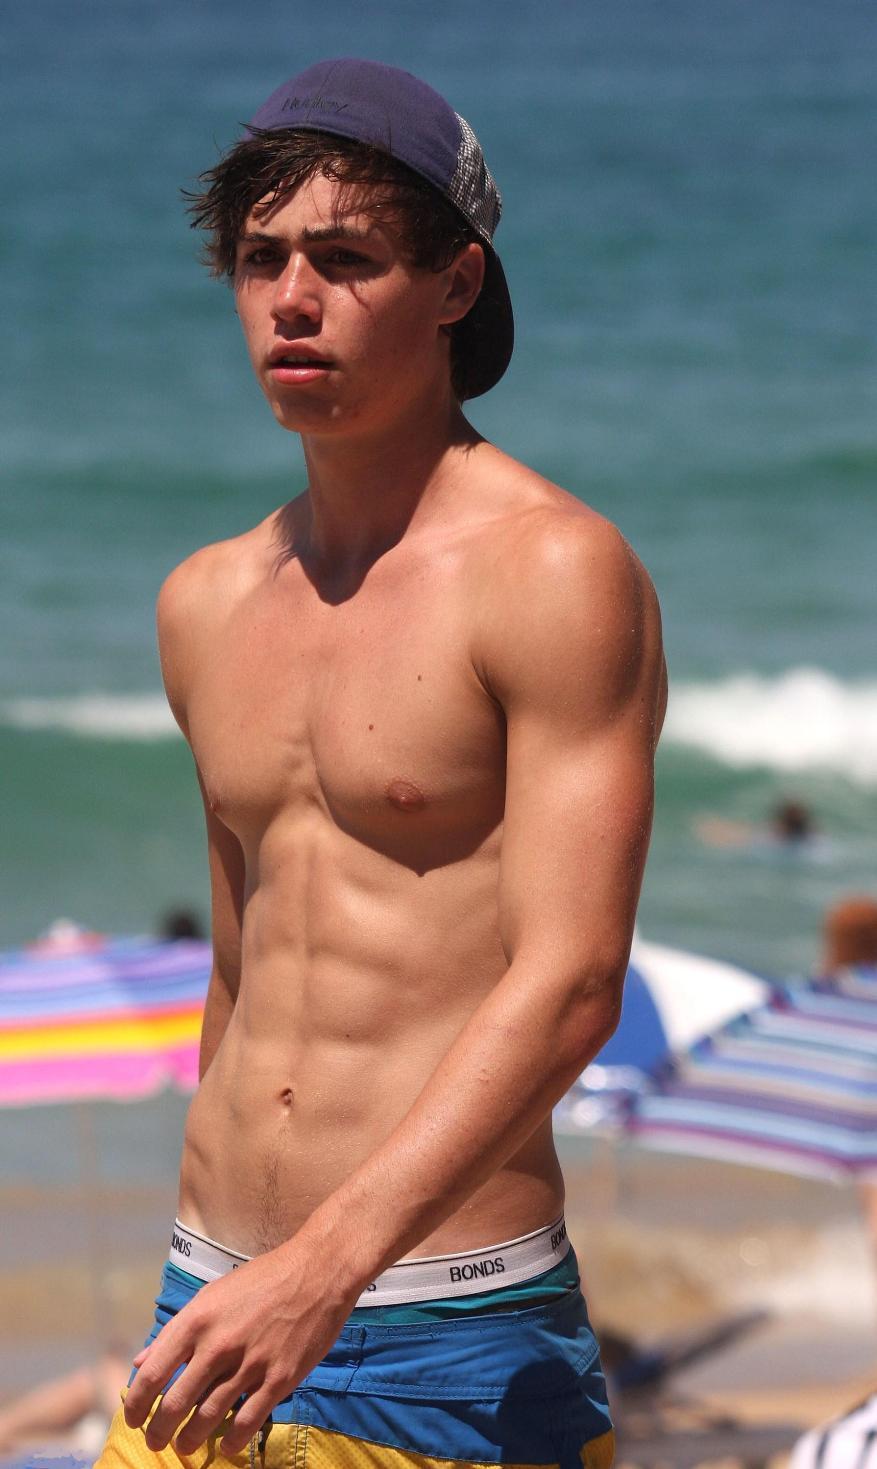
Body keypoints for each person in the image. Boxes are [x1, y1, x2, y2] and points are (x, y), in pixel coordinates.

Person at [96, 57, 666, 1469]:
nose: (291, 299)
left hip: (441, 1335)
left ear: (456, 284)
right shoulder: (204, 602)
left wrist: (324, 1268)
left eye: (344, 260)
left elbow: (572, 983)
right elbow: (244, 971)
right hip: (210, 1312)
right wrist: (242, 1274)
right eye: (261, 260)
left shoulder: (552, 572)